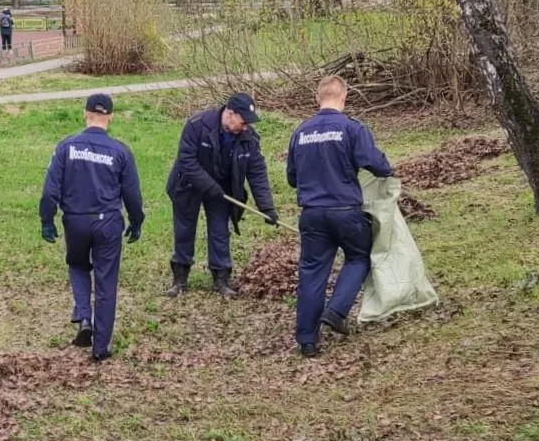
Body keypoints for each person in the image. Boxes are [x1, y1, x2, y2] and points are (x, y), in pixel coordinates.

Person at [286, 76, 393, 356]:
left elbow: (292, 178)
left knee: (311, 271)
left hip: (312, 214)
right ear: (344, 97)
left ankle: (307, 340)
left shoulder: (300, 132)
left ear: (318, 98)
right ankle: (336, 311)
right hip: (346, 212)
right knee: (359, 257)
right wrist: (387, 172)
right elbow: (375, 163)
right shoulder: (351, 129)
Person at [39, 94, 144, 361]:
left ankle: (84, 316)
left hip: (75, 220)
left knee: (77, 265)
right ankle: (101, 348)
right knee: (106, 282)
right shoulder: (120, 151)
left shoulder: (66, 147)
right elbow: (132, 193)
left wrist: (47, 220)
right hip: (107, 222)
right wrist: (136, 220)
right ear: (110, 117)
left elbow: (51, 189)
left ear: (85, 114)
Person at [164, 92, 278, 298]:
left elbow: (257, 171)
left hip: (222, 189)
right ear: (230, 113)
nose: (245, 127)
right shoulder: (197, 125)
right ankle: (180, 277)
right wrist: (208, 186)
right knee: (184, 230)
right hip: (188, 184)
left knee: (219, 231)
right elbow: (186, 161)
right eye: (242, 122)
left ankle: (221, 277)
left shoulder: (248, 138)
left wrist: (267, 207)